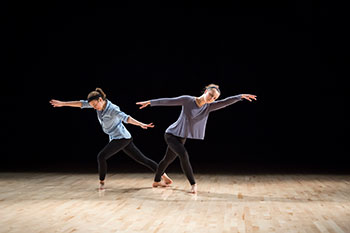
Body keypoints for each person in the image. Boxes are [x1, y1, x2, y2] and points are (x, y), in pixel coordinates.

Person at [136, 84, 257, 194]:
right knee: (183, 155)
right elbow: (169, 101)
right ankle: (193, 184)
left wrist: (239, 96)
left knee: (166, 160)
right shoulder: (188, 100)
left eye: (214, 98)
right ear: (205, 91)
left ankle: (157, 181)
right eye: (210, 95)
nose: (211, 99)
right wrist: (150, 102)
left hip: (182, 137)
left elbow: (225, 102)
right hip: (171, 134)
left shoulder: (209, 107)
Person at [50, 88, 172, 190]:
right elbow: (80, 103)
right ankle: (164, 176)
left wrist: (140, 124)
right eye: (92, 106)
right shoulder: (97, 105)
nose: (94, 107)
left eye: (95, 105)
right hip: (121, 138)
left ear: (101, 100)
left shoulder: (113, 109)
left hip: (121, 138)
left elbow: (126, 118)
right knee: (142, 159)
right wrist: (62, 103)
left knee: (101, 156)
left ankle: (101, 183)